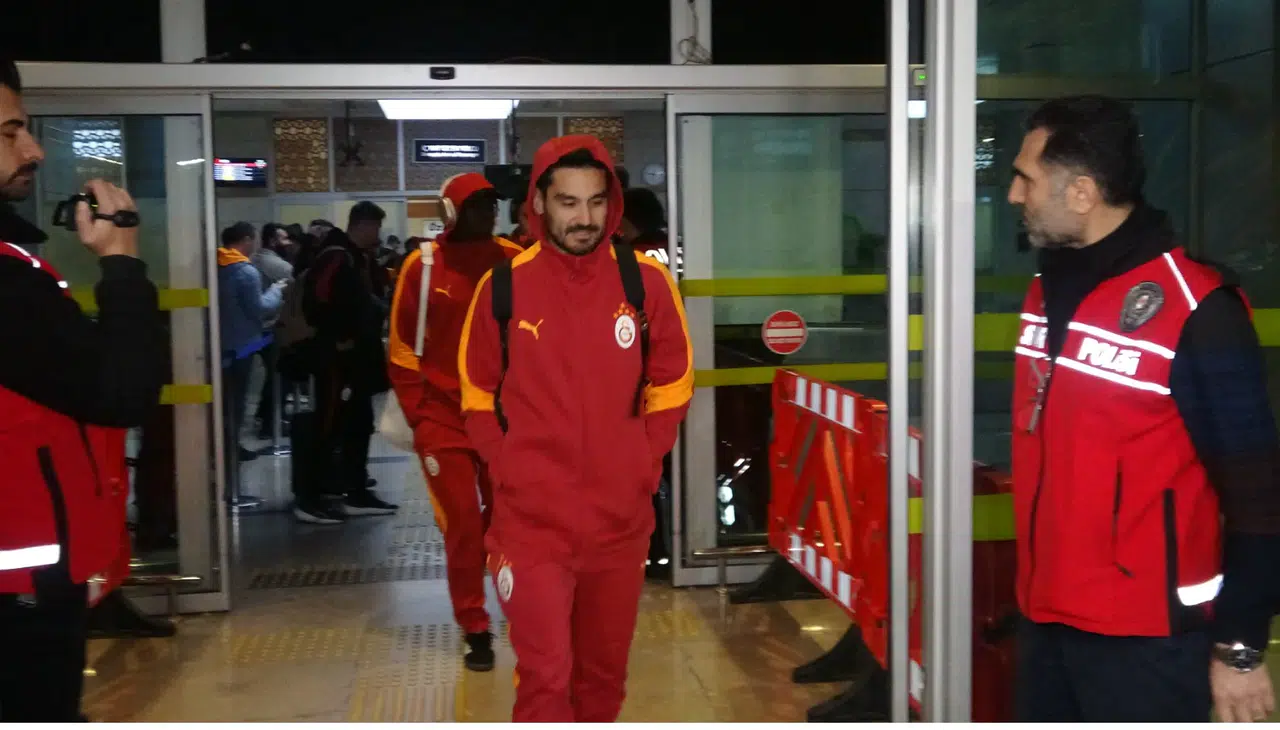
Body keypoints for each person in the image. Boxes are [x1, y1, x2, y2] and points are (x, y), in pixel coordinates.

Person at [1008, 95, 1280, 723]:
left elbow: (1260, 497)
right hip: (1045, 621)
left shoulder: (1197, 308)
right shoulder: (1043, 291)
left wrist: (1240, 646)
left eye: (1026, 178)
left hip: (1150, 643)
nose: (1015, 195)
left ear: (1081, 192)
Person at [459, 136, 694, 721]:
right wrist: (507, 467)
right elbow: (477, 393)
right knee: (546, 676)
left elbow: (674, 380)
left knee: (603, 678)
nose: (584, 218)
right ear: (539, 202)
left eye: (595, 202)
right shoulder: (502, 288)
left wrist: (643, 461)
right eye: (568, 202)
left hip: (620, 526)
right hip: (531, 528)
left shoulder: (645, 283)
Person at [0, 58, 165, 721]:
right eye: (10, 133)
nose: (33, 150)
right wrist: (122, 260)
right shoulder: (8, 284)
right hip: (18, 588)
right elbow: (121, 391)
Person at [388, 173, 522, 672]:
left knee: (510, 521)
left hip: (503, 417)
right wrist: (419, 413)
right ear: (451, 212)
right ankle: (475, 625)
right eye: (476, 206)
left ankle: (522, 608)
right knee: (463, 522)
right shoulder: (422, 266)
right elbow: (401, 346)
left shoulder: (514, 260)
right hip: (442, 419)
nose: (488, 214)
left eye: (491, 205)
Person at [297, 203, 396, 523]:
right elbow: (316, 302)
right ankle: (311, 497)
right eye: (375, 227)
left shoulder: (354, 257)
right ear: (363, 225)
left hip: (354, 357)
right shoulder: (337, 257)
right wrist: (340, 336)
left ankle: (353, 489)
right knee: (329, 423)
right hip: (337, 359)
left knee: (357, 423)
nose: (378, 234)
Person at [217, 222, 285, 474]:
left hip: (220, 342)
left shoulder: (216, 265)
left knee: (225, 399)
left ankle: (222, 444)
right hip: (243, 344)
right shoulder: (246, 272)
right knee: (237, 398)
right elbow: (260, 308)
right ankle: (232, 446)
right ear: (246, 240)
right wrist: (276, 291)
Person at [251, 222, 295, 439]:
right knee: (281, 376)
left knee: (273, 376)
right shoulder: (279, 265)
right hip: (272, 328)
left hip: (256, 329)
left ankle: (264, 416)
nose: (288, 243)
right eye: (284, 238)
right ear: (272, 240)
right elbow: (296, 288)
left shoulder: (254, 260)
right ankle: (270, 423)